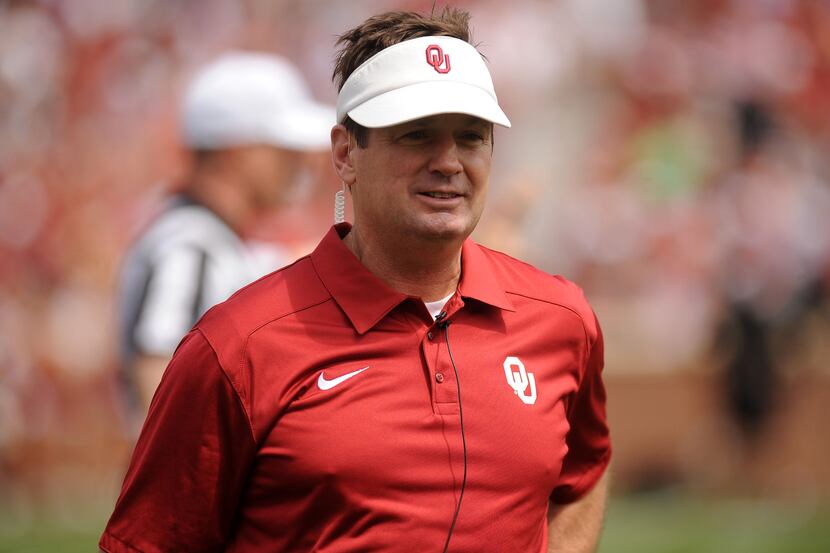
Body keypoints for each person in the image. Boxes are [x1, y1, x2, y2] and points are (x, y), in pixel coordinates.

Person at [101, 8, 611, 552]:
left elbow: (583, 474)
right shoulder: (236, 346)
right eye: (416, 135)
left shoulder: (560, 318)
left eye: (470, 136)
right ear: (345, 152)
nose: (449, 161)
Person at [117, 51, 334, 431]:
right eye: (284, 151)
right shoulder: (190, 248)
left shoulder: (210, 241)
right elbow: (160, 391)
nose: (299, 164)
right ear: (237, 153)